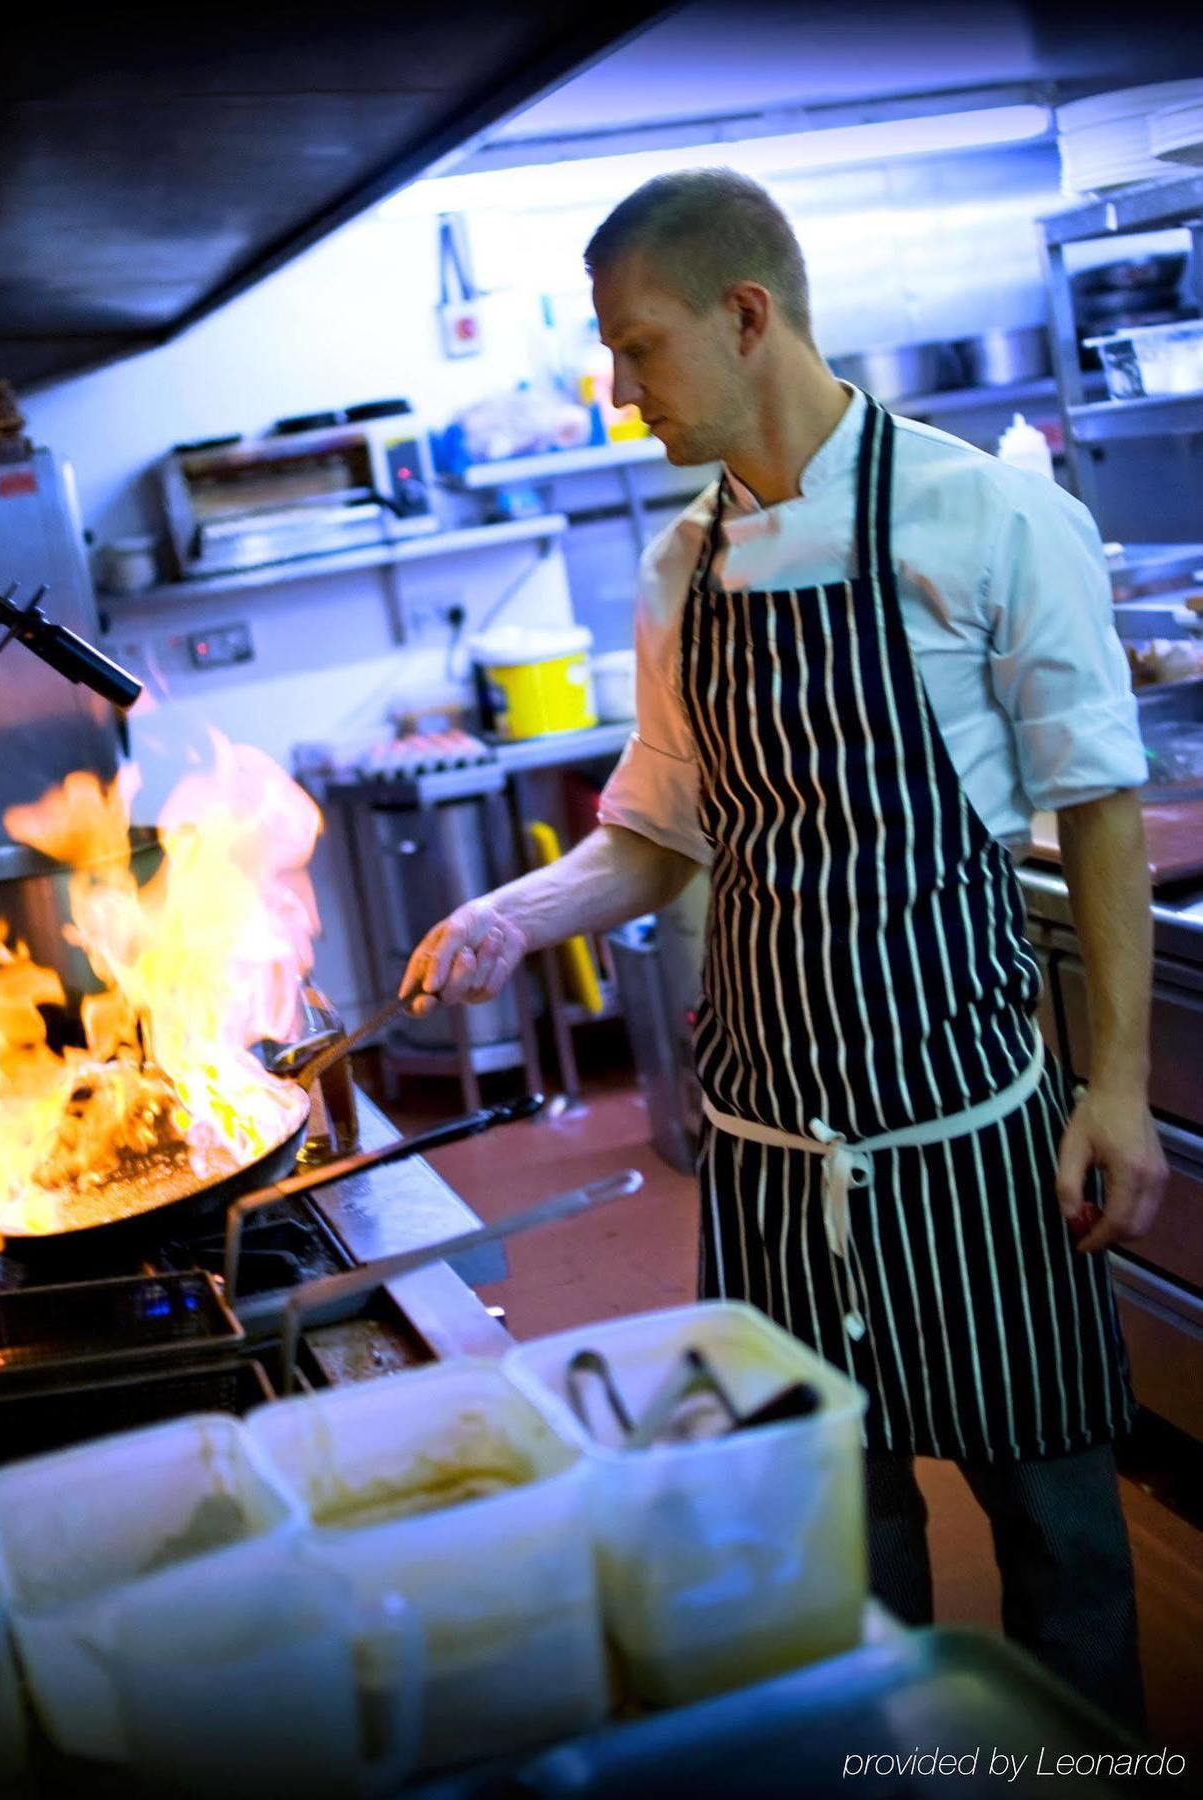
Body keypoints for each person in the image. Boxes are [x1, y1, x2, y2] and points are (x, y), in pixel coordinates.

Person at [400, 168, 1167, 1728]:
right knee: (839, 1558)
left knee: (1061, 1546)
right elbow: (661, 830)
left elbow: (1096, 806)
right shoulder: (683, 568)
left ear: (745, 315)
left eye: (638, 351)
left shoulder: (986, 512)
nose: (622, 399)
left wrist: (1118, 1090)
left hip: (967, 1130)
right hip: (760, 1149)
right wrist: (506, 916)